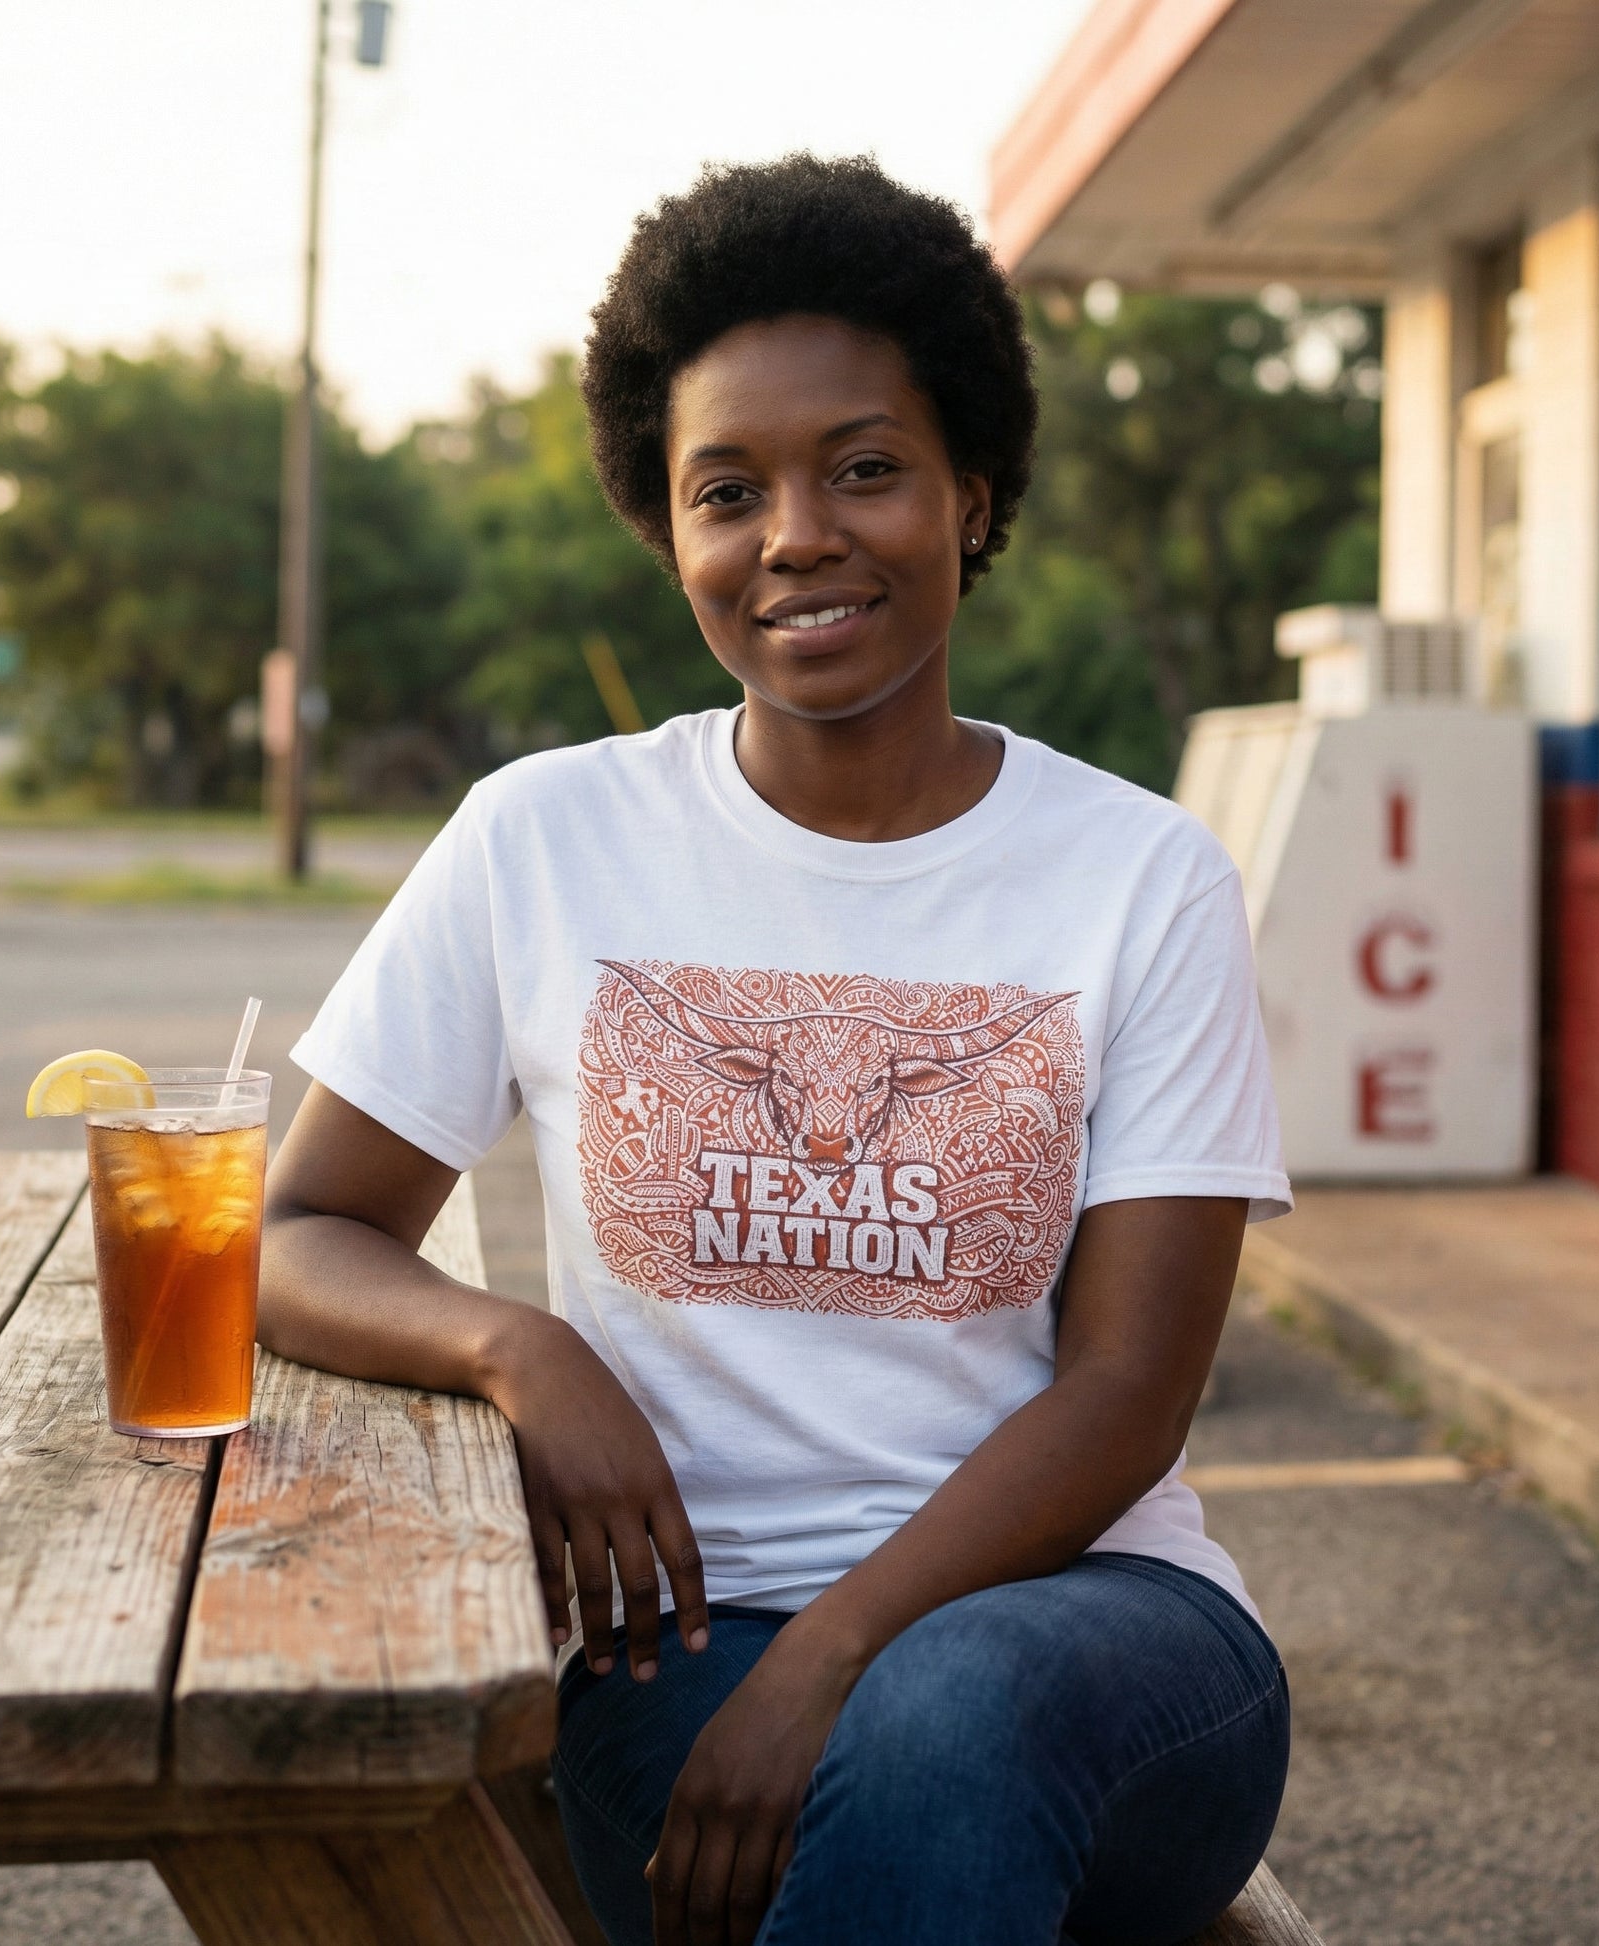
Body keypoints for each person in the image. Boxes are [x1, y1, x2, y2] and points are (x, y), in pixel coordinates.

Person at [263, 154, 1293, 1946]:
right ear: (666, 533)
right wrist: (521, 1350)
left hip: (1096, 1637)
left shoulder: (1137, 876)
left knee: (942, 1727)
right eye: (725, 490)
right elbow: (297, 1234)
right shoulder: (544, 838)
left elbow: (1128, 1393)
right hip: (674, 1645)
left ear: (973, 494)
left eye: (866, 468)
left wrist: (832, 1654)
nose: (794, 533)